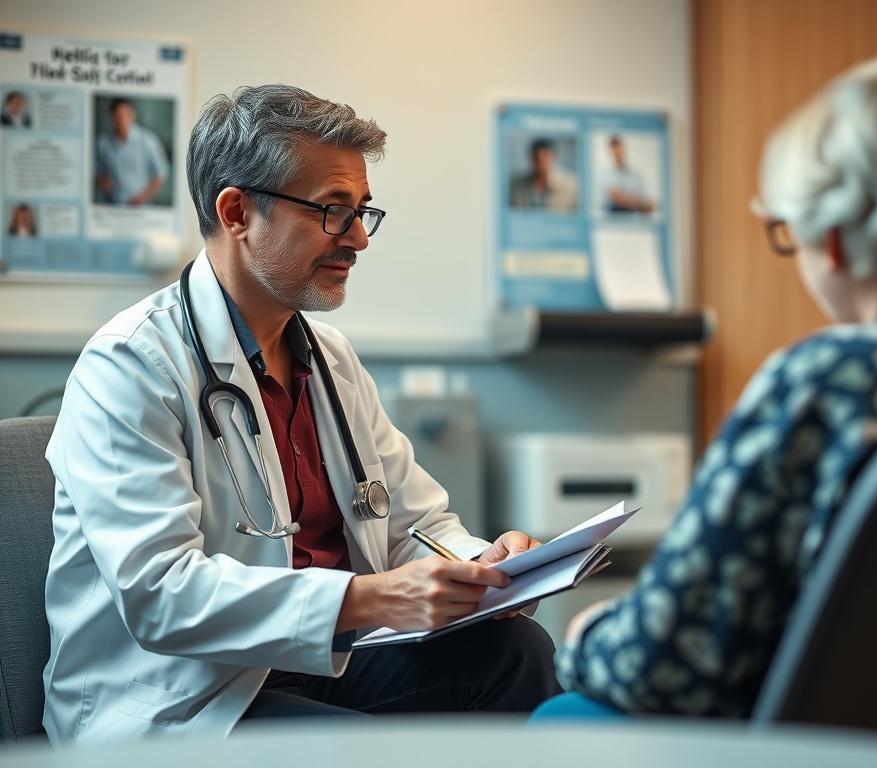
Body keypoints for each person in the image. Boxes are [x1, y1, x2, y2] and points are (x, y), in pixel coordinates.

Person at [43, 84, 559, 744]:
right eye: (332, 211)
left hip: (319, 661)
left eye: (362, 212)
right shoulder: (129, 365)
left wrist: (484, 567)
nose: (358, 241)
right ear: (236, 213)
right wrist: (372, 599)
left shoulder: (329, 359)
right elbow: (161, 595)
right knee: (357, 748)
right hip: (180, 696)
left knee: (519, 655)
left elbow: (415, 523)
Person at [546, 50, 877, 718]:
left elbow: (667, 670)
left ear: (832, 241)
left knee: (568, 715)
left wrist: (588, 633)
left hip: (843, 747)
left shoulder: (829, 381)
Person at [94, 97, 170, 206]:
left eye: (125, 115)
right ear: (111, 117)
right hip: (112, 208)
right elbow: (97, 171)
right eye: (118, 116)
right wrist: (102, 181)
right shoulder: (102, 143)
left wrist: (143, 197)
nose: (122, 120)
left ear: (132, 115)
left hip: (140, 210)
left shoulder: (148, 141)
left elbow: (161, 174)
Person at [509, 137, 578, 211]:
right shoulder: (516, 185)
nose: (541, 163)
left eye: (545, 157)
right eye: (536, 158)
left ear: (554, 157)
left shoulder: (569, 185)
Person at [600, 135, 655, 214]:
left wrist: (643, 203)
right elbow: (617, 198)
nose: (618, 154)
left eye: (620, 149)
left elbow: (648, 204)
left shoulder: (636, 174)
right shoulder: (605, 173)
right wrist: (640, 202)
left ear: (624, 148)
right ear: (610, 151)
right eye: (615, 151)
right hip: (612, 222)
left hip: (635, 221)